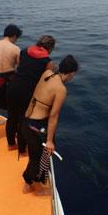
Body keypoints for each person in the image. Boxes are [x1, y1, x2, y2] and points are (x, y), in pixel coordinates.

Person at [21, 55, 78, 196]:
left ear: (59, 67)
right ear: (72, 74)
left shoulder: (47, 74)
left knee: (34, 157)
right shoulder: (61, 90)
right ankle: (37, 189)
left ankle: (28, 184)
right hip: (35, 127)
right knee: (38, 158)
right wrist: (50, 141)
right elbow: (53, 117)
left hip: (25, 121)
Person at [6, 35, 55, 156]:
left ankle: (11, 144)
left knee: (12, 117)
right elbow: (48, 81)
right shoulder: (48, 62)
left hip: (13, 87)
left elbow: (20, 67)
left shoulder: (23, 52)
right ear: (50, 48)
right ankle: (22, 151)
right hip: (27, 93)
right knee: (23, 120)